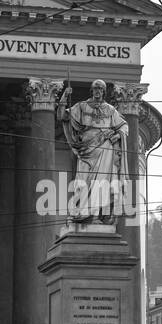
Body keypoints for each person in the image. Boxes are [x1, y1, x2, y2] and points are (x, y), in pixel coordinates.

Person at [58, 79, 128, 223]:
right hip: (86, 149)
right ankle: (80, 212)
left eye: (101, 89)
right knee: (82, 181)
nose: (98, 91)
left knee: (101, 182)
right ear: (92, 91)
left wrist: (116, 135)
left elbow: (124, 127)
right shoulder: (82, 107)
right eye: (96, 88)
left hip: (105, 148)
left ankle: (95, 215)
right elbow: (62, 116)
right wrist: (64, 97)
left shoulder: (110, 110)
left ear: (104, 92)